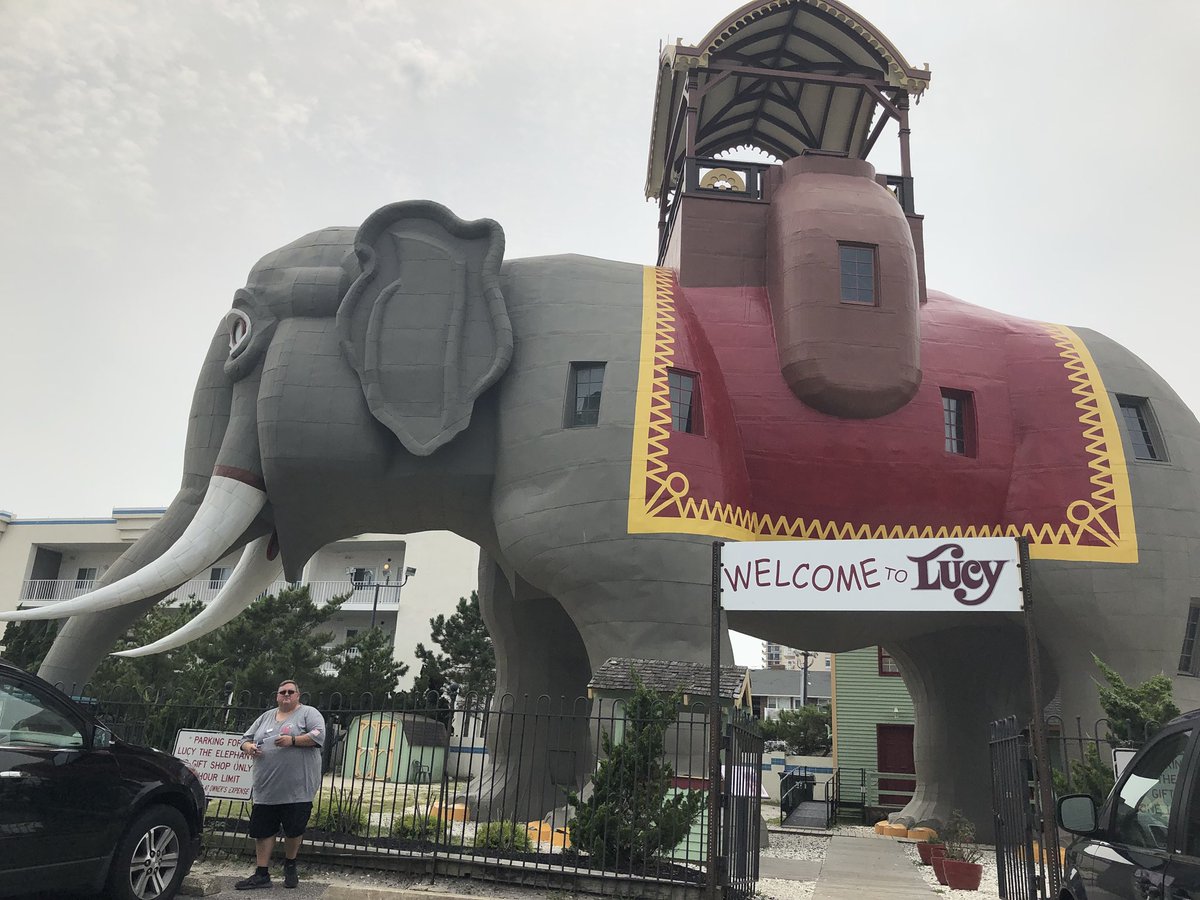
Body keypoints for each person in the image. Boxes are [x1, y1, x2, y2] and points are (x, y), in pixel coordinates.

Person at [235, 680, 325, 890]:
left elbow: (318, 735)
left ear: (298, 695)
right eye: (282, 692)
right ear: (277, 696)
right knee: (263, 830)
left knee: (294, 829)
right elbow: (245, 739)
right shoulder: (266, 717)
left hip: (297, 788)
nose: (286, 695)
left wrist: (292, 740)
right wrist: (249, 747)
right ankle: (261, 873)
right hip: (266, 788)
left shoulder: (308, 713)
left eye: (290, 692)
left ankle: (290, 864)